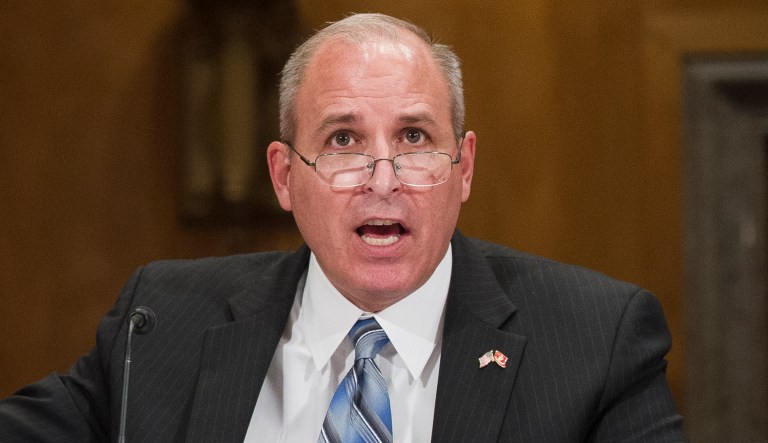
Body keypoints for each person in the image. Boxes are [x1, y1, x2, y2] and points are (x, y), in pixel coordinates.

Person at [0, 12, 686, 442]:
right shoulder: (162, 324)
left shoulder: (595, 341)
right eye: (343, 141)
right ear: (283, 176)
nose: (382, 178)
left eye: (414, 136)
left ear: (463, 165)